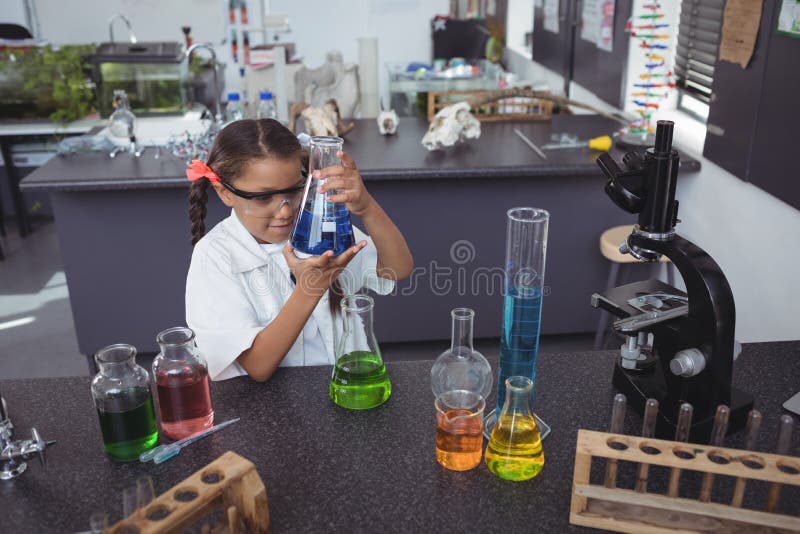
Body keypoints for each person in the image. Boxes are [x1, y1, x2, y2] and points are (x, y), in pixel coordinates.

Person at [185, 119, 413, 382]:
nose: (284, 211)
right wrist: (310, 289)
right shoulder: (214, 255)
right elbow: (258, 367)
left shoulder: (317, 228)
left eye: (294, 191)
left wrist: (366, 207)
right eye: (263, 198)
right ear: (225, 193)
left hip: (342, 390)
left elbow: (398, 269)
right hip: (266, 411)